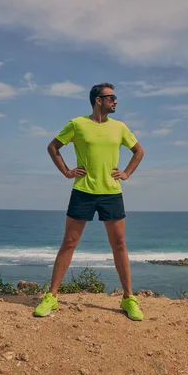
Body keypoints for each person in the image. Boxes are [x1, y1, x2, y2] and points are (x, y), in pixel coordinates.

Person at [34, 82, 145, 320]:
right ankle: (52, 296)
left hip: (111, 193)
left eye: (115, 98)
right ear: (98, 100)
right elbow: (53, 147)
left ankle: (128, 298)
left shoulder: (120, 127)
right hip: (83, 190)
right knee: (69, 242)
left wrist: (125, 174)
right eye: (111, 97)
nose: (115, 101)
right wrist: (66, 172)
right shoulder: (77, 124)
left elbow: (139, 152)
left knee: (120, 244)